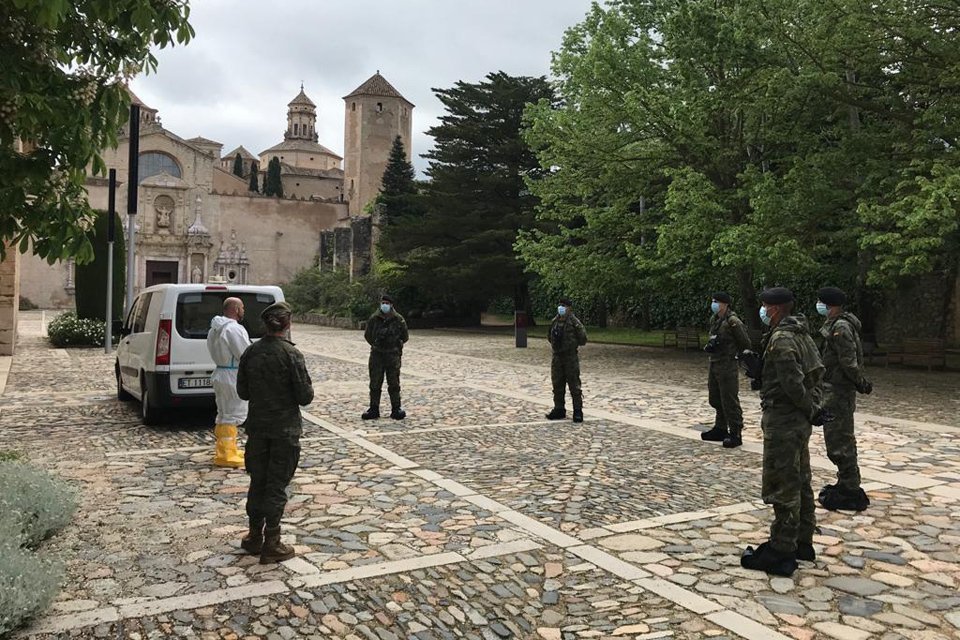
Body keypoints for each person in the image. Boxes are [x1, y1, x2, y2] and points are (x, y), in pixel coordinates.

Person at [741, 287, 830, 577]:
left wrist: (810, 409)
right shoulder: (801, 333)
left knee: (782, 485)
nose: (763, 312)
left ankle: (781, 550)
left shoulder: (781, 339)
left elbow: (793, 385)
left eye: (765, 307)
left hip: (784, 419)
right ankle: (802, 541)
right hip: (798, 421)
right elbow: (814, 374)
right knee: (801, 480)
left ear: (775, 309)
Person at [236, 301, 314, 564]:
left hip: (257, 429)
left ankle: (253, 536)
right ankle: (272, 541)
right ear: (287, 323)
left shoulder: (251, 353)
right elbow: (305, 396)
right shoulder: (291, 355)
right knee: (277, 485)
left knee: (258, 481)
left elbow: (242, 392)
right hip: (284, 430)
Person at [815, 287, 872, 511]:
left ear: (830, 305)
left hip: (838, 391)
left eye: (821, 302)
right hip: (833, 389)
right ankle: (846, 481)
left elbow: (848, 362)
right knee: (837, 440)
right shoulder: (837, 325)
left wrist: (861, 382)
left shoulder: (840, 328)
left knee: (840, 441)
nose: (819, 306)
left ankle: (850, 486)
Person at [701, 292, 753, 448]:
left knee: (729, 399)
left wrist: (738, 356)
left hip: (728, 364)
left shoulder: (733, 321)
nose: (714, 304)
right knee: (715, 397)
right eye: (713, 301)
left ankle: (735, 431)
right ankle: (720, 427)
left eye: (716, 301)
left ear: (725, 303)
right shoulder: (715, 320)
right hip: (715, 362)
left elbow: (745, 342)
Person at [207, 297, 251, 468]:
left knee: (224, 413)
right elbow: (244, 353)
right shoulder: (234, 329)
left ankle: (226, 448)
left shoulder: (214, 329)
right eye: (242, 307)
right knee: (231, 415)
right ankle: (226, 454)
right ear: (236, 309)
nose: (244, 310)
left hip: (221, 372)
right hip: (232, 375)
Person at [362, 294, 409, 420]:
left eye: (387, 303)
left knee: (394, 383)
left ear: (391, 305)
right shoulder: (374, 318)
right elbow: (368, 335)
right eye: (383, 303)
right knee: (375, 383)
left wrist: (394, 345)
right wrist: (376, 345)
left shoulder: (398, 319)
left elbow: (405, 336)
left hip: (392, 355)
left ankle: (396, 408)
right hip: (377, 355)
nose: (385, 305)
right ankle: (374, 408)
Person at [546, 297, 588, 423]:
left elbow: (583, 338)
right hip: (557, 357)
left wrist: (571, 344)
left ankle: (577, 411)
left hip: (570, 357)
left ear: (569, 308)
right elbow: (549, 336)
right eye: (560, 305)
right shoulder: (555, 321)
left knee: (574, 385)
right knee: (557, 384)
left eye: (564, 306)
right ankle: (559, 409)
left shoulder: (574, 322)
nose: (561, 308)